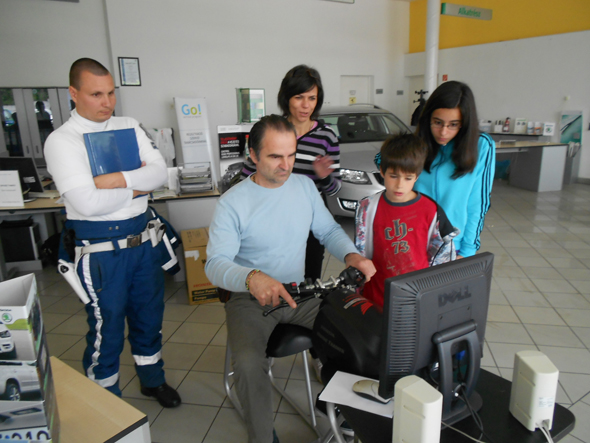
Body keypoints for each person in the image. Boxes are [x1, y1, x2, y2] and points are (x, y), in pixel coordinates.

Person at [206, 115, 375, 443]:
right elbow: (215, 265)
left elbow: (327, 230)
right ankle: (262, 437)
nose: (286, 165)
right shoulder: (232, 203)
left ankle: (343, 407)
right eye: (275, 156)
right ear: (253, 155)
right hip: (250, 299)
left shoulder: (304, 186)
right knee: (249, 363)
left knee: (358, 332)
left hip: (299, 294)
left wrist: (351, 255)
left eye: (291, 155)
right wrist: (252, 277)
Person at [44, 58, 181, 408]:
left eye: (110, 93)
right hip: (101, 251)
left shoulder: (128, 125)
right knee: (107, 329)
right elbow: (87, 203)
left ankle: (152, 379)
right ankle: (106, 400)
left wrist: (114, 181)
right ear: (74, 93)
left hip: (144, 242)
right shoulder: (62, 141)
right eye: (96, 94)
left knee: (149, 318)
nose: (106, 102)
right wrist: (138, 187)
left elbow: (160, 173)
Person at [241, 65, 341, 281]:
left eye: (312, 98)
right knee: (271, 277)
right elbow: (246, 175)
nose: (306, 105)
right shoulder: (271, 131)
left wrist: (325, 177)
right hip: (272, 216)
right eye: (299, 97)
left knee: (309, 280)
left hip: (311, 220)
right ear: (286, 98)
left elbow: (335, 189)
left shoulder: (327, 136)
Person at [356, 133, 458, 308]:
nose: (400, 185)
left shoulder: (432, 211)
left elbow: (442, 260)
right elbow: (360, 254)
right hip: (375, 297)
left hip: (416, 299)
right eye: (393, 176)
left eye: (408, 178)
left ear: (417, 176)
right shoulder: (367, 207)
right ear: (382, 171)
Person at [413, 80, 495, 258]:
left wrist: (467, 251)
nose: (443, 132)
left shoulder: (481, 145)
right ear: (428, 118)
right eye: (437, 122)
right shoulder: (416, 144)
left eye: (453, 124)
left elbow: (477, 204)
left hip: (452, 246)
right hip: (413, 241)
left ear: (464, 123)